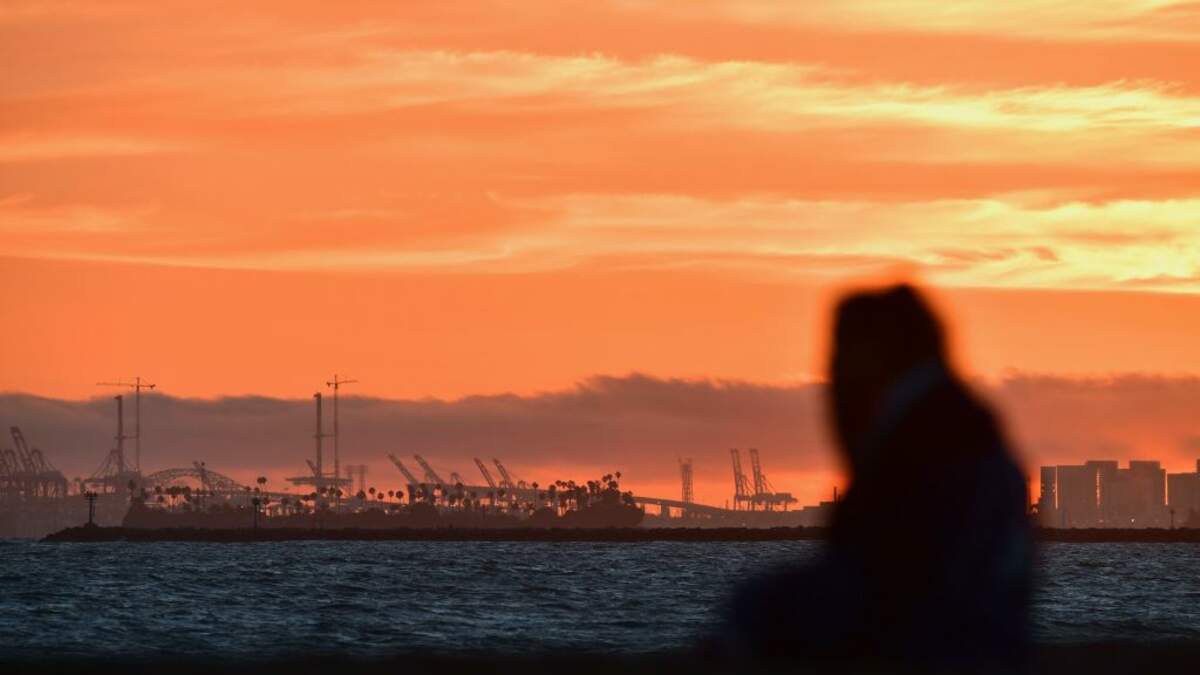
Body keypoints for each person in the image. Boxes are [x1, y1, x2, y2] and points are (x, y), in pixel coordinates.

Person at [720, 284, 1031, 669]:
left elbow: (877, 593)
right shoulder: (976, 445)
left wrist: (753, 612)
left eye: (838, 370)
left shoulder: (920, 458)